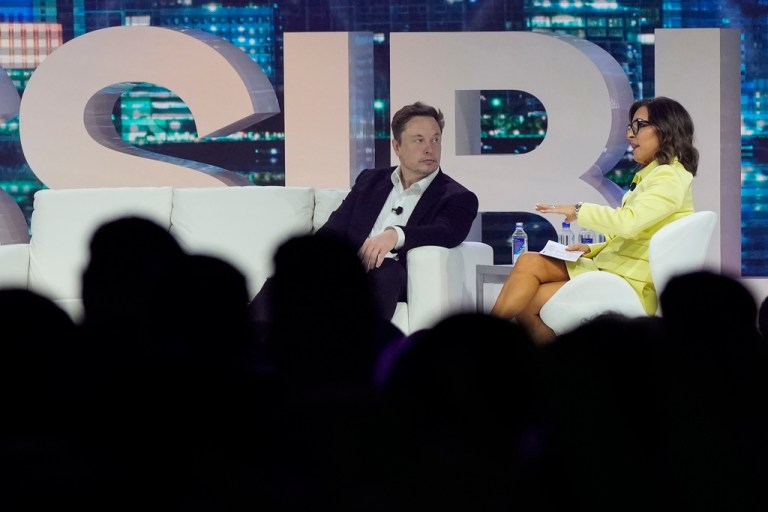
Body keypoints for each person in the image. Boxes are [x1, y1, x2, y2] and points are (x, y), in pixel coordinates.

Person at [491, 96, 699, 343]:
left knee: (528, 301)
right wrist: (591, 249)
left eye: (638, 125)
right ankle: (483, 339)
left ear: (666, 128)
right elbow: (635, 235)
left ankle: (481, 340)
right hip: (613, 269)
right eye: (630, 127)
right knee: (528, 263)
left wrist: (579, 210)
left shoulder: (669, 177)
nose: (630, 135)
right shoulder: (657, 175)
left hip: (627, 281)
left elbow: (628, 222)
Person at [248, 101, 479, 323]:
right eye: (419, 140)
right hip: (347, 271)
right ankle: (247, 340)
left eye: (435, 139)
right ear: (396, 146)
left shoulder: (457, 196)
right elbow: (335, 229)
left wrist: (396, 234)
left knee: (385, 271)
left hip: (393, 276)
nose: (430, 149)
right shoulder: (370, 181)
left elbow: (445, 232)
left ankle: (357, 344)